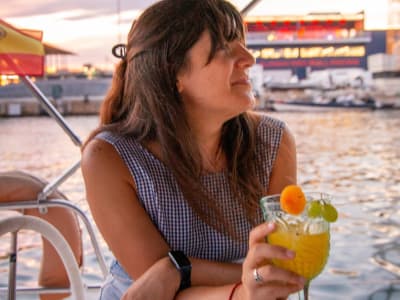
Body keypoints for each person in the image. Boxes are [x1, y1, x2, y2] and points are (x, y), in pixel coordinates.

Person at [81, 0, 305, 299]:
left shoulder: (273, 141)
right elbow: (159, 292)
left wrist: (176, 269)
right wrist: (246, 283)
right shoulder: (109, 158)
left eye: (243, 43)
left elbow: (280, 271)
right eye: (226, 47)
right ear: (173, 72)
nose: (249, 57)